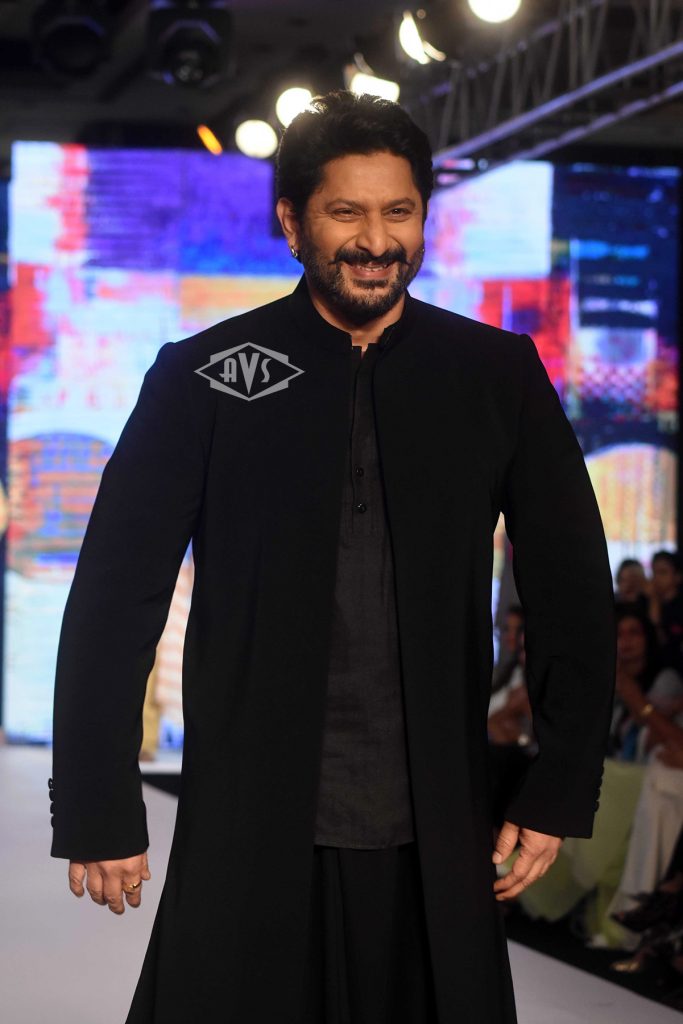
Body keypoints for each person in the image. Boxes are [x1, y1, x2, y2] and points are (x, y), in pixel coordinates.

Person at [49, 91, 616, 1024]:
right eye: (346, 212)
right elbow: (116, 597)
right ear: (292, 221)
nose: (375, 240)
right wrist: (96, 801)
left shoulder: (494, 375)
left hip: (434, 822)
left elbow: (571, 592)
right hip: (249, 815)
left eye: (398, 212)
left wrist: (558, 784)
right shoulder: (203, 375)